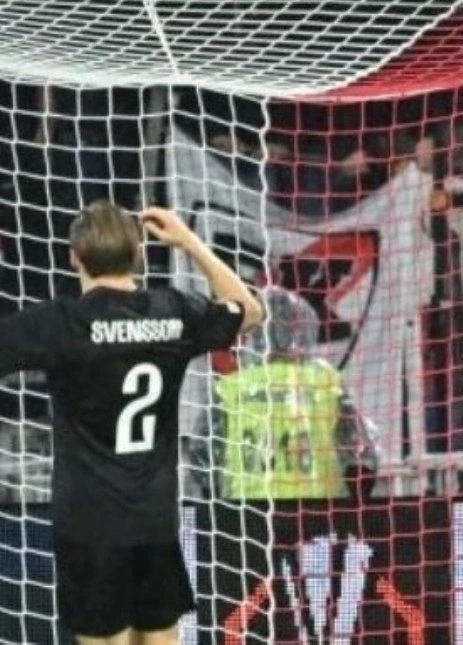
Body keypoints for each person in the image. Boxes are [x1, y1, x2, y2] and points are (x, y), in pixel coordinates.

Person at [0, 201, 264, 645]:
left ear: (74, 257)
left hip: (89, 525)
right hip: (154, 520)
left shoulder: (60, 323)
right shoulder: (173, 311)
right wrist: (190, 242)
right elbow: (250, 312)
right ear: (138, 254)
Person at [189, 286, 379, 501]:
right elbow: (362, 457)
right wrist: (350, 509)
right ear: (304, 329)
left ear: (255, 332)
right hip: (317, 508)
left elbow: (202, 459)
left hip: (247, 510)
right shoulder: (327, 382)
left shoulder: (231, 387)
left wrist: (220, 504)